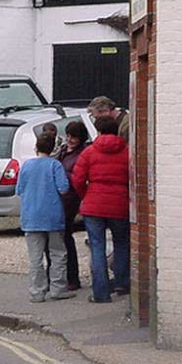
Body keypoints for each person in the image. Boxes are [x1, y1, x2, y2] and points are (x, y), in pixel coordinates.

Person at [72, 115, 130, 303]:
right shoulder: (127, 152)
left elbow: (78, 179)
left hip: (94, 205)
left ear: (98, 131)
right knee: (122, 244)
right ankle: (122, 282)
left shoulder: (89, 152)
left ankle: (101, 293)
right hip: (120, 204)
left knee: (97, 247)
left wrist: (86, 195)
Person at [16, 134, 76, 302]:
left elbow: (19, 190)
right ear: (53, 149)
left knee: (35, 258)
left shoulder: (26, 166)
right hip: (52, 215)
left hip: (31, 216)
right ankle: (58, 288)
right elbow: (63, 188)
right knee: (58, 254)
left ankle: (37, 291)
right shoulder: (55, 165)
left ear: (36, 147)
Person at [51, 119, 90, 291]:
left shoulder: (82, 153)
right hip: (59, 197)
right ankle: (60, 275)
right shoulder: (62, 151)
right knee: (59, 237)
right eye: (68, 136)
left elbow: (79, 177)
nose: (70, 140)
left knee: (66, 235)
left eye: (73, 137)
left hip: (71, 198)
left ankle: (72, 277)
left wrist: (64, 175)